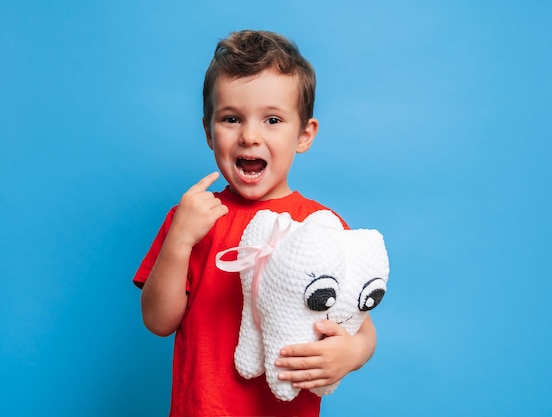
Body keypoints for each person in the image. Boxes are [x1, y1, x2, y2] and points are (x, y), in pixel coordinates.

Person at [133, 29, 377, 417]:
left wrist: (353, 351)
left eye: (273, 120)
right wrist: (179, 241)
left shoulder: (322, 226)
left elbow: (358, 322)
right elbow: (158, 321)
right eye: (231, 118)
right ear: (208, 131)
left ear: (304, 134)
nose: (249, 136)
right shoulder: (191, 218)